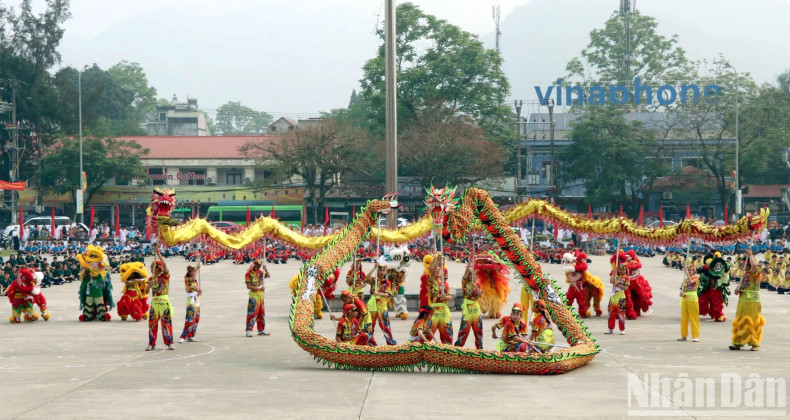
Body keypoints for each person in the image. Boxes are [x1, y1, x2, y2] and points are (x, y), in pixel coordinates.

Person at [729, 250, 765, 351]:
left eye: (744, 263)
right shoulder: (745, 274)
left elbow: (754, 266)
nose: (742, 265)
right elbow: (742, 286)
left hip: (752, 301)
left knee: (752, 321)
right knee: (740, 320)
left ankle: (754, 343)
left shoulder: (754, 273)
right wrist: (737, 289)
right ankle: (738, 342)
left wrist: (750, 255)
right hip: (743, 300)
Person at [145, 247, 174, 350]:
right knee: (152, 324)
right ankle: (151, 343)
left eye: (153, 267)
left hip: (164, 303)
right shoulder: (151, 278)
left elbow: (165, 265)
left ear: (158, 267)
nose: (151, 268)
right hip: (155, 303)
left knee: (166, 323)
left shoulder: (165, 276)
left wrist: (159, 254)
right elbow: (146, 291)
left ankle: (170, 342)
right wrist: (149, 285)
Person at [365, 263, 396, 345]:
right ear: (378, 271)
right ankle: (370, 341)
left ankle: (390, 341)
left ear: (386, 271)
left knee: (385, 324)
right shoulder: (373, 280)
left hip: (382, 305)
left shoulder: (387, 282)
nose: (382, 272)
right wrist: (374, 267)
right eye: (380, 270)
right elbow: (366, 278)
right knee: (370, 324)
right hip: (372, 305)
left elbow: (388, 294)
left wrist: (377, 293)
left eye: (383, 270)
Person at [454, 259, 483, 349]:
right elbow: (466, 271)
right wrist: (470, 260)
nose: (471, 276)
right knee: (464, 330)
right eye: (470, 274)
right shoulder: (464, 283)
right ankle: (458, 348)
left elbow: (480, 295)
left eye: (473, 275)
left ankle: (480, 349)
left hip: (476, 309)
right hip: (467, 309)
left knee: (478, 331)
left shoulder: (478, 284)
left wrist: (476, 287)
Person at [428, 253, 454, 344]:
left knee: (447, 334)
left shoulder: (445, 284)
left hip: (444, 310)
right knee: (428, 332)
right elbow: (432, 269)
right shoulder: (431, 281)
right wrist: (438, 261)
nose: (438, 270)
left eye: (440, 270)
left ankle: (447, 351)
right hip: (434, 310)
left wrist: (445, 297)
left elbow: (450, 297)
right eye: (437, 270)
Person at [605, 251, 630, 335]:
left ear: (626, 270)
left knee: (621, 314)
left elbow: (626, 288)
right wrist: (614, 271)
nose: (622, 270)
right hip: (613, 297)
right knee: (611, 313)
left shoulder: (626, 278)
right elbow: (611, 281)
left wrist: (618, 284)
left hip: (621, 297)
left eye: (623, 269)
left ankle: (622, 329)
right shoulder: (617, 276)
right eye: (621, 269)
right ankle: (610, 328)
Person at [245, 259, 270, 337]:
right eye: (258, 265)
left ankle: (261, 330)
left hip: (260, 295)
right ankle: (248, 330)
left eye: (260, 265)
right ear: (254, 265)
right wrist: (259, 289)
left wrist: (265, 269)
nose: (259, 267)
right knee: (252, 313)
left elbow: (268, 276)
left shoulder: (260, 272)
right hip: (253, 296)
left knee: (261, 313)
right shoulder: (248, 274)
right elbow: (248, 286)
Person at [178, 263, 201, 343]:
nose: (193, 272)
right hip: (191, 301)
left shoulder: (195, 281)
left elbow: (196, 290)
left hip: (196, 301)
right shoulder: (187, 278)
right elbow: (193, 277)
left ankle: (191, 335)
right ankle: (183, 336)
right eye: (192, 271)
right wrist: (197, 269)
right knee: (189, 319)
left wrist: (199, 292)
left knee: (196, 319)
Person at [678, 265, 700, 342]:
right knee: (684, 318)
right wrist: (681, 293)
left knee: (693, 318)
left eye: (690, 270)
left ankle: (695, 336)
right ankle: (683, 335)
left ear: (694, 271)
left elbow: (691, 282)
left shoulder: (696, 278)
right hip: (685, 299)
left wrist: (687, 273)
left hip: (692, 299)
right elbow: (682, 289)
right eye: (688, 270)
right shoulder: (685, 280)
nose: (689, 271)